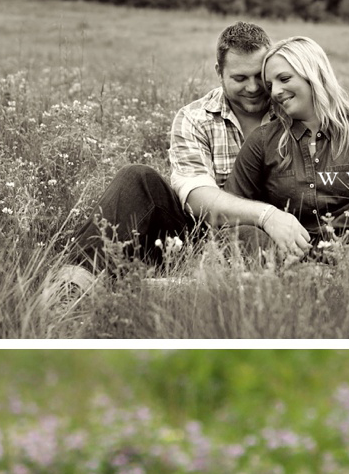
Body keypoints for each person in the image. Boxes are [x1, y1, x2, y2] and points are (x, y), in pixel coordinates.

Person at [63, 22, 312, 283]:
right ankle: (75, 284)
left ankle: (167, 288)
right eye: (239, 78)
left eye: (258, 77)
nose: (252, 88)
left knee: (254, 238)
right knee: (135, 178)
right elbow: (196, 197)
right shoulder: (195, 117)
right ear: (219, 72)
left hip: (271, 238)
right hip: (194, 234)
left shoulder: (290, 109)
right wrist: (266, 215)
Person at [229, 40, 349, 244]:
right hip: (288, 256)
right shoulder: (263, 140)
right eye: (271, 85)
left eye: (284, 79)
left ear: (314, 75)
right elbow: (232, 208)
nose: (275, 92)